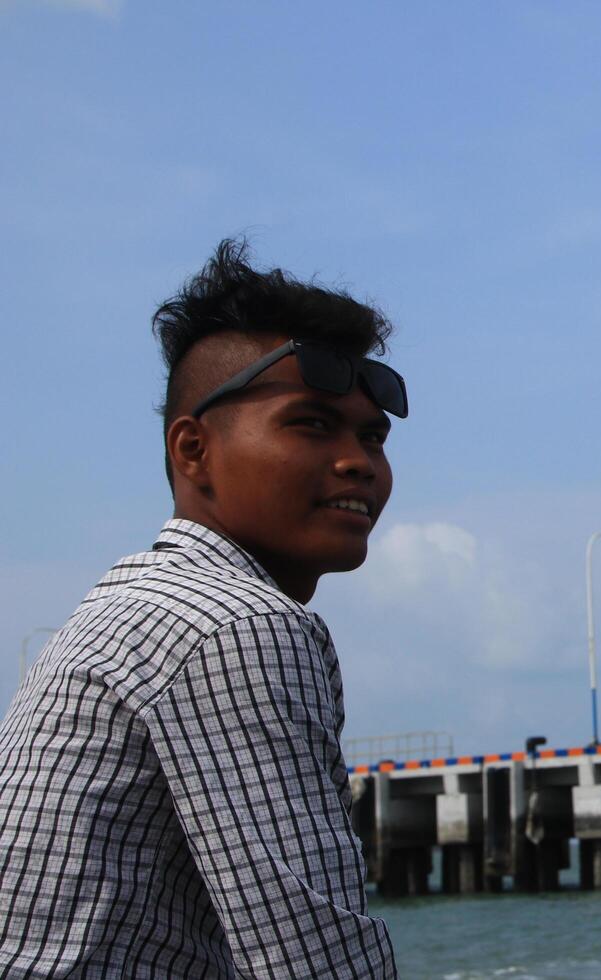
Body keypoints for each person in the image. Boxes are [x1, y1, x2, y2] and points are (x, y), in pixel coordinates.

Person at [0, 240, 403, 977]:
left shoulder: (135, 600)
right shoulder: (234, 623)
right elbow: (312, 956)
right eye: (312, 424)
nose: (359, 460)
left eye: (372, 435)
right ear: (192, 451)